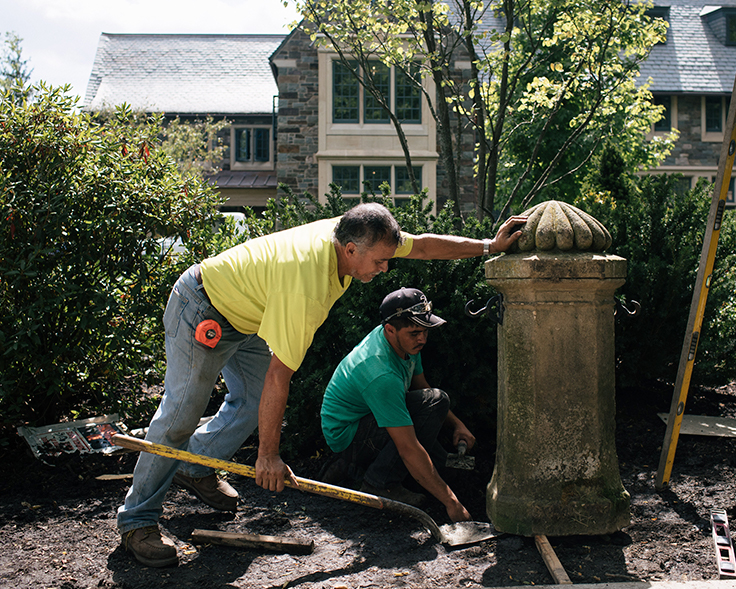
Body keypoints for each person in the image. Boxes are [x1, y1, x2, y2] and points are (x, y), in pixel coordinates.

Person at [118, 202, 525, 567]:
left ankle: (197, 465)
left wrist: (489, 246)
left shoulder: (359, 233)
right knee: (179, 418)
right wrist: (269, 457)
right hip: (203, 306)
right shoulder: (306, 285)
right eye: (380, 261)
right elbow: (282, 374)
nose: (385, 269)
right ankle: (137, 520)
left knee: (253, 399)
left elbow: (420, 246)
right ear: (351, 250)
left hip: (248, 315)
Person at [319, 287, 474, 522]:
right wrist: (452, 503)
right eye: (415, 333)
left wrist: (458, 425)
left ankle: (437, 466)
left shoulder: (405, 342)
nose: (422, 339)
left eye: (425, 331)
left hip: (369, 416)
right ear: (390, 329)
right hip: (347, 436)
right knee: (412, 437)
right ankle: (379, 483)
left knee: (436, 400)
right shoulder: (380, 373)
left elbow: (422, 389)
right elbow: (408, 448)